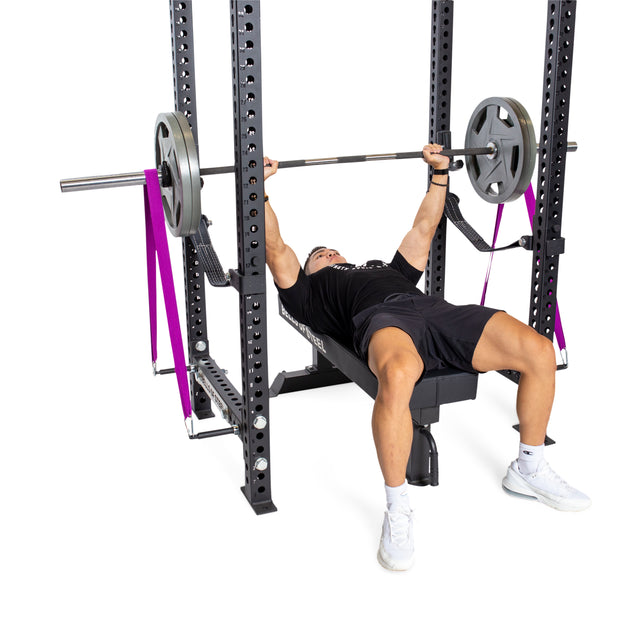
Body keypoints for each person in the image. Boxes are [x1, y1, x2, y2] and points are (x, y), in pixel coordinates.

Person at [263, 144, 590, 572]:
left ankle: (529, 467)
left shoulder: (383, 268)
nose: (326, 253)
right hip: (380, 321)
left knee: (538, 350)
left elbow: (423, 228)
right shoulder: (308, 294)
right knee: (398, 374)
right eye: (317, 256)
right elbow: (275, 248)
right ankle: (397, 509)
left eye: (332, 250)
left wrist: (440, 173)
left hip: (436, 311)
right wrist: (258, 187)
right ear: (308, 272)